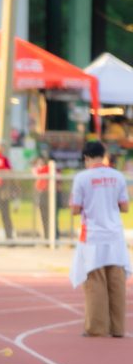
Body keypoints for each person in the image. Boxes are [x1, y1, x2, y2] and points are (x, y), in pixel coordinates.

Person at [69, 141, 130, 338]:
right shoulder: (118, 176)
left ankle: (96, 327)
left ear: (86, 157)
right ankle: (117, 327)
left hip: (93, 236)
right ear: (103, 155)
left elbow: (75, 209)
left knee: (95, 283)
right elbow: (124, 207)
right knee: (117, 283)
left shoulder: (82, 178)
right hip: (115, 236)